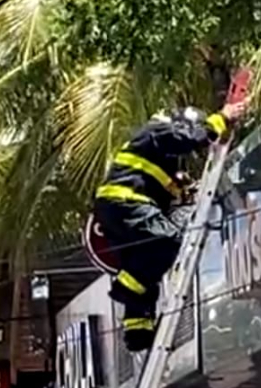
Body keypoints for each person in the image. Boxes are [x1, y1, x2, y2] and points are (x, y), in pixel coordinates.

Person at [89, 98, 246, 353]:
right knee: (169, 239)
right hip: (126, 201)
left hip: (117, 209)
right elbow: (189, 138)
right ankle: (125, 286)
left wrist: (181, 187)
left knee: (146, 268)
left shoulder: (156, 152)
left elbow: (158, 182)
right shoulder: (158, 129)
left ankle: (137, 332)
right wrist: (222, 118)